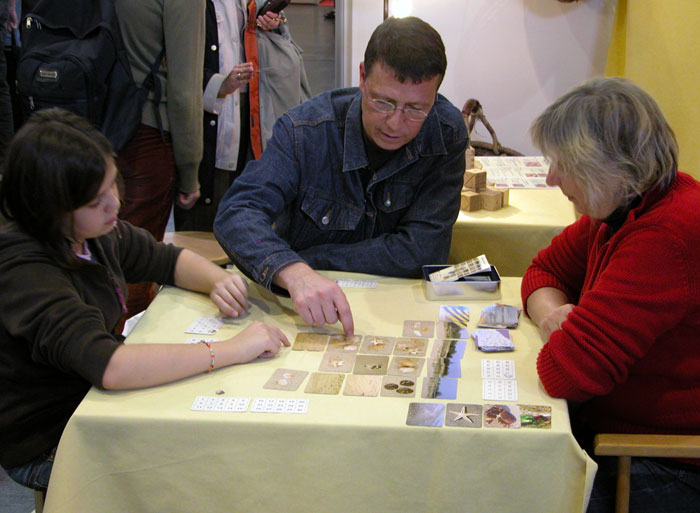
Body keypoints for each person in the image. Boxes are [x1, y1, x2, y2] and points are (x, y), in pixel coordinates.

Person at [0, 109, 289, 492]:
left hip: (92, 400)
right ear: (51, 208)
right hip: (54, 435)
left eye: (112, 184)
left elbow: (164, 260)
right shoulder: (25, 271)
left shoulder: (91, 232)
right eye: (95, 201)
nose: (115, 204)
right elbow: (112, 367)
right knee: (199, 473)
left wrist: (217, 279)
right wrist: (232, 349)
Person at [214, 16, 469, 336]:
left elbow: (422, 252)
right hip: (304, 311)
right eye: (383, 101)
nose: (394, 122)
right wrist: (293, 271)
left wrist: (306, 260)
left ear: (434, 97)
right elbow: (237, 213)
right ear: (362, 76)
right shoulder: (304, 131)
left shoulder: (445, 133)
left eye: (415, 109)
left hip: (395, 312)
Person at [522, 77, 700, 512]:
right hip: (614, 431)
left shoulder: (665, 233)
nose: (550, 178)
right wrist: (553, 317)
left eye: (562, 164)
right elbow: (541, 271)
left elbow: (566, 373)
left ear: (607, 167)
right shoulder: (624, 207)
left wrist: (564, 335)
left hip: (662, 458)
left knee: (504, 490)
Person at [174, 0, 310, 232]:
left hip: (252, 123)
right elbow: (177, 65)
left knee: (246, 228)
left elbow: (273, 44)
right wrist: (219, 85)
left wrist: (274, 23)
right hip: (209, 128)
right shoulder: (193, 6)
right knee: (202, 232)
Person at [113, 0, 206, 319]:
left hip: (83, 119)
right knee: (133, 267)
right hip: (145, 131)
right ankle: (124, 356)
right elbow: (184, 91)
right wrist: (190, 170)